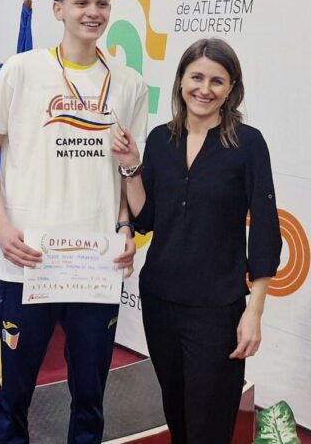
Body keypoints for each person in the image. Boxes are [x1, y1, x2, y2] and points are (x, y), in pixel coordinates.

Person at [0, 0, 149, 442]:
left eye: (102, 3)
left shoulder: (130, 85)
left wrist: (125, 227)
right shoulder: (21, 70)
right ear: (58, 9)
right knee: (13, 398)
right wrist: (2, 226)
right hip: (28, 260)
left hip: (96, 265)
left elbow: (127, 169)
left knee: (90, 399)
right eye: (81, 2)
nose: (93, 12)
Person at [111, 38, 282, 444]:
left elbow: (265, 230)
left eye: (217, 81)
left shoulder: (248, 144)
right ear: (181, 81)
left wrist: (254, 312)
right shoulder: (160, 139)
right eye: (197, 78)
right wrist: (131, 167)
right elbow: (147, 218)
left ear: (231, 88)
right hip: (160, 301)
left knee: (210, 425)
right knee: (179, 417)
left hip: (217, 309)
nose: (204, 89)